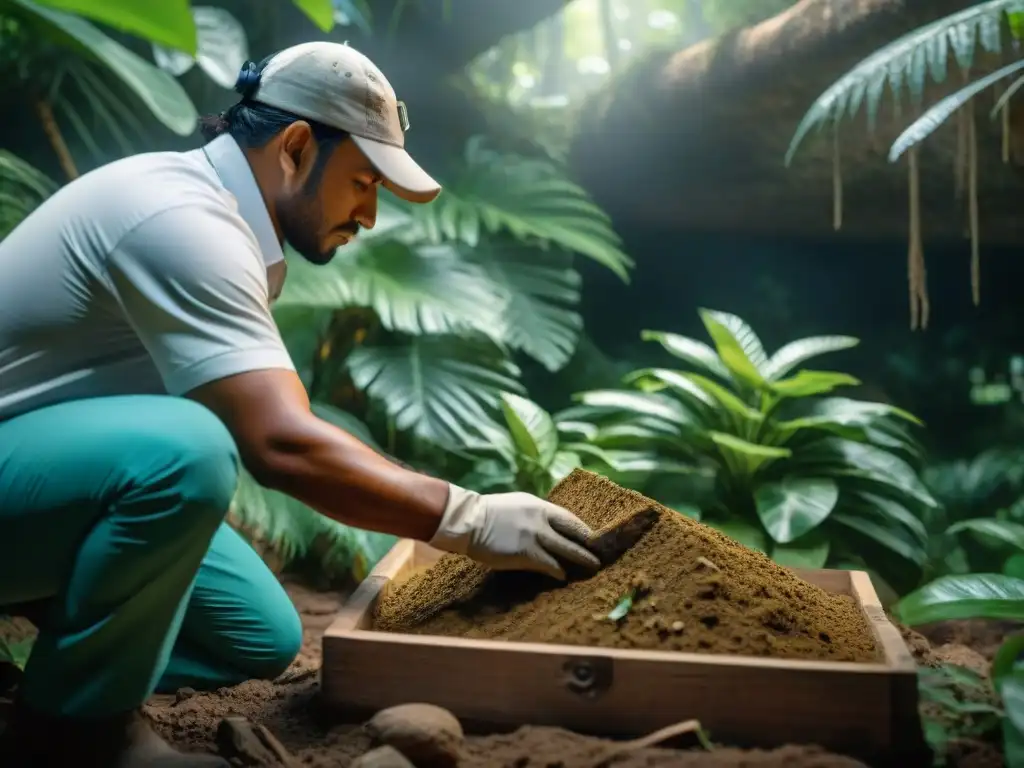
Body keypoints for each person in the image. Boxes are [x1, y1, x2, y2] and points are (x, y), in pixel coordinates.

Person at [0, 41, 600, 767]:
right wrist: (468, 519)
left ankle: (51, 679)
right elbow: (278, 444)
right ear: (293, 148)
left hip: (35, 482)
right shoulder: (183, 221)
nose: (370, 215)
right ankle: (79, 735)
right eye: (362, 182)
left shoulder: (216, 216)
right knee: (187, 451)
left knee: (257, 635)